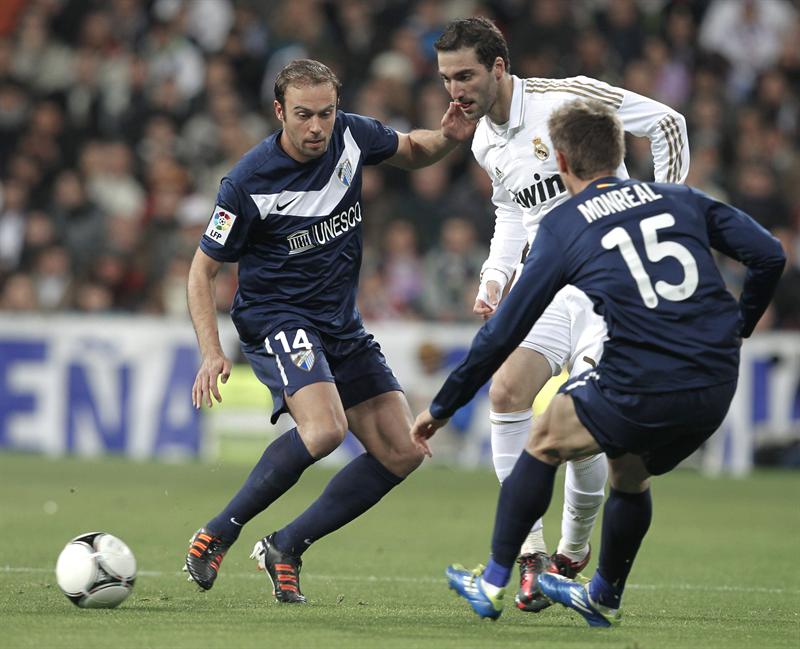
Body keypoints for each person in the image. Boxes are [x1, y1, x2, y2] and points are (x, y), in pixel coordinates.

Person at [409, 98, 785, 625]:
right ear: (621, 152)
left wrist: (443, 406)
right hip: (716, 382)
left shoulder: (565, 224)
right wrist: (739, 326)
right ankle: (602, 593)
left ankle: (493, 580)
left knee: (542, 440)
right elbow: (769, 254)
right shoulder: (680, 197)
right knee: (629, 471)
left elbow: (502, 332)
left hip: (641, 378)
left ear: (560, 162)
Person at [184, 59, 474, 603]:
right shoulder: (247, 182)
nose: (318, 126)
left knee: (403, 450)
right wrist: (210, 349)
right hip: (277, 317)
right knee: (324, 431)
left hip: (340, 324)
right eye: (304, 115)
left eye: (326, 112)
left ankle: (286, 546)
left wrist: (449, 138)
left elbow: (412, 149)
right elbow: (203, 270)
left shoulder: (350, 135)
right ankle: (217, 533)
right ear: (279, 113)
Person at [433, 17, 691, 612]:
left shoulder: (568, 97)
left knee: (587, 420)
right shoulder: (481, 139)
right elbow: (511, 211)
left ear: (499, 67)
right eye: (447, 78)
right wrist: (495, 277)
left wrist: (665, 213)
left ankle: (573, 554)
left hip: (610, 284)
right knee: (506, 394)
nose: (456, 90)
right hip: (548, 286)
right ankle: (532, 555)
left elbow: (668, 124)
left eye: (466, 75)